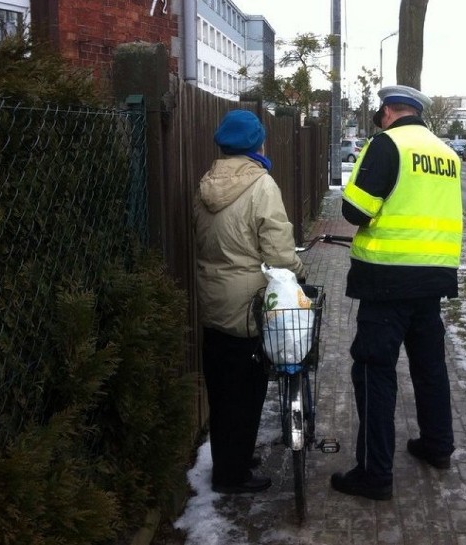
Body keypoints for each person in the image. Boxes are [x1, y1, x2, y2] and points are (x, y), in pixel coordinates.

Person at [330, 85, 463, 501]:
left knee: (374, 372)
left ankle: (374, 474)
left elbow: (355, 211)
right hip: (433, 282)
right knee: (429, 368)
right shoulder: (446, 153)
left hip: (387, 283)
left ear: (387, 111)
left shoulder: (386, 145)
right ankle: (437, 447)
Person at [194, 109, 307, 494]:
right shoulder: (262, 185)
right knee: (247, 392)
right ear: (256, 144)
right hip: (246, 308)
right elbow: (278, 251)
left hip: (212, 300)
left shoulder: (206, 182)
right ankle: (233, 476)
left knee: (222, 390)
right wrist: (296, 269)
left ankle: (232, 457)